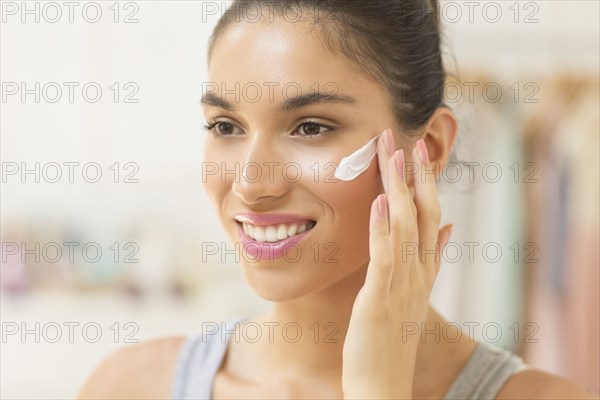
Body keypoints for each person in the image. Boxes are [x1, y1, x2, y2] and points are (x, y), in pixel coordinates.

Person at [78, 1, 599, 398]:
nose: (251, 184)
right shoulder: (130, 385)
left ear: (431, 149)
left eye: (310, 126)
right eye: (225, 125)